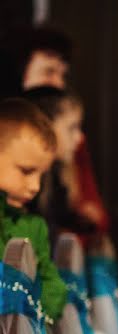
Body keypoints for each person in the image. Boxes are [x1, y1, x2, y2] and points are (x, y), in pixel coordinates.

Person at [0, 97, 65, 321]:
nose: (35, 186)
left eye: (41, 175)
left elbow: (50, 280)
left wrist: (38, 313)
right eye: (26, 171)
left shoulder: (34, 226)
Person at [21, 86, 97, 243]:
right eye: (71, 128)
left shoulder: (53, 174)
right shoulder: (20, 182)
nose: (80, 138)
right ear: (44, 126)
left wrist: (82, 221)